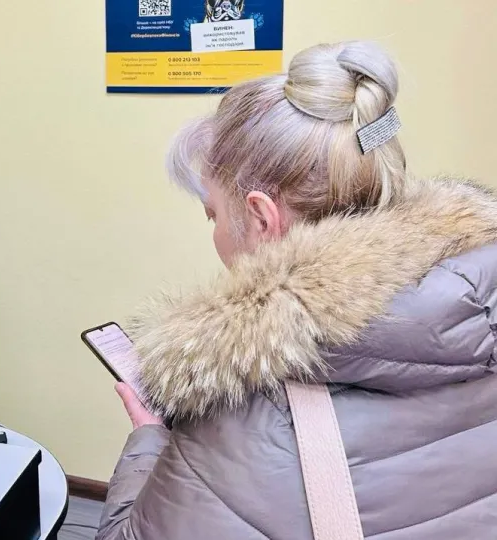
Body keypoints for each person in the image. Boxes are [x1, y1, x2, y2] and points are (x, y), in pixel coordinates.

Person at [99, 41, 497, 539]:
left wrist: (151, 445)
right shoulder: (479, 301)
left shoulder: (240, 427)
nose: (215, 232)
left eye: (213, 214)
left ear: (263, 218)